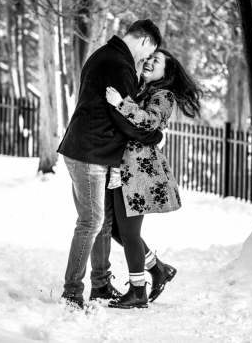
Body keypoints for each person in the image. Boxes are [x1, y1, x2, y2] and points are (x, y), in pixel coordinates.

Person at [57, 19, 164, 311]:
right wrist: (156, 136)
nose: (146, 59)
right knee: (91, 222)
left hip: (93, 151)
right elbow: (124, 118)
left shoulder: (106, 54)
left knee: (101, 223)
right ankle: (72, 293)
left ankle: (101, 285)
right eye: (149, 51)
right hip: (90, 153)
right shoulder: (119, 64)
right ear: (144, 41)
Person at [104, 49, 203, 309]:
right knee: (116, 228)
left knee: (129, 233)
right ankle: (157, 269)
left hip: (139, 173)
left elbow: (149, 122)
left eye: (155, 61)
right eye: (148, 58)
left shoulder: (163, 95)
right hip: (124, 169)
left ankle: (138, 291)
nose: (149, 62)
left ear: (166, 72)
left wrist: (120, 104)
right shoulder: (141, 89)